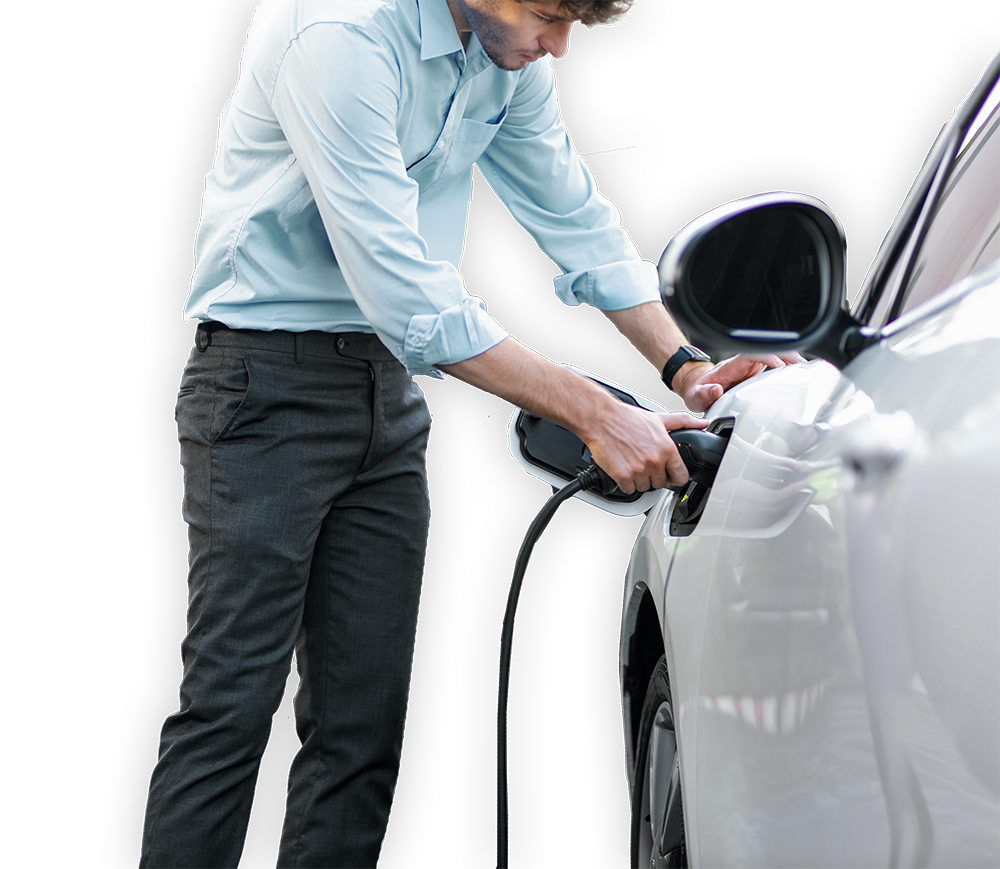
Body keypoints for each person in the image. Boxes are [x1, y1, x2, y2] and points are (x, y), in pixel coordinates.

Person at [139, 0, 794, 866]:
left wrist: (689, 369)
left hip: (390, 388)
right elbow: (406, 292)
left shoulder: (502, 50)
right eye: (553, 14)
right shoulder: (336, 32)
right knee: (230, 707)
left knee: (361, 727)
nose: (557, 46)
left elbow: (578, 221)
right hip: (263, 387)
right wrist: (596, 410)